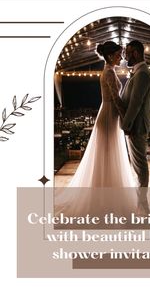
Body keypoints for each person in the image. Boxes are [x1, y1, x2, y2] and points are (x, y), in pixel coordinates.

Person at [55, 41, 137, 223]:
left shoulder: (110, 70)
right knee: (107, 156)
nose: (120, 57)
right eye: (117, 55)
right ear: (109, 56)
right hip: (108, 117)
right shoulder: (108, 72)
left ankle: (107, 195)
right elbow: (115, 99)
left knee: (108, 156)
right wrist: (127, 118)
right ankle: (104, 199)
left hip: (109, 116)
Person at [121, 40, 150, 214]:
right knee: (137, 165)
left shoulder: (142, 74)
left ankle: (142, 201)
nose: (125, 56)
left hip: (136, 126)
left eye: (128, 52)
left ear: (137, 53)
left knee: (140, 165)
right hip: (134, 126)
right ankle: (141, 199)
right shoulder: (138, 72)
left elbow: (136, 103)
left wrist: (127, 125)